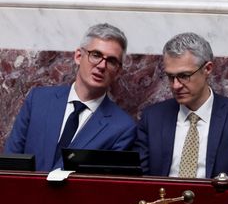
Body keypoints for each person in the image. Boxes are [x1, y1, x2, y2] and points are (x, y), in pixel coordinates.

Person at [134, 32, 228, 195]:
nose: (175, 85)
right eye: (170, 77)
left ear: (207, 69)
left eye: (184, 76)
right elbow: (139, 179)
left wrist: (209, 202)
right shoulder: (153, 118)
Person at [4, 23, 136, 170]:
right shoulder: (38, 100)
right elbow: (11, 162)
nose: (101, 66)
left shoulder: (122, 128)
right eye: (96, 55)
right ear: (78, 56)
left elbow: (105, 186)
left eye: (111, 61)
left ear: (118, 71)